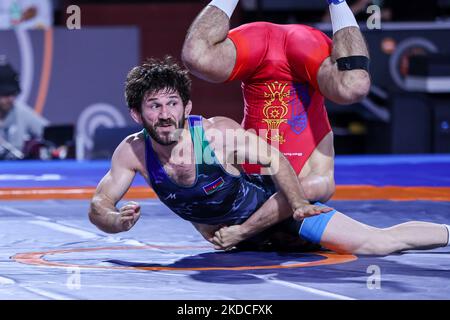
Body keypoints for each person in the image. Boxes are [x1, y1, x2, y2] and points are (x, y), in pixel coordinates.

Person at [88, 57, 450, 255]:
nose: (165, 114)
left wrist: (293, 206)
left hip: (272, 216)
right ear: (137, 114)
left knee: (378, 243)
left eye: (172, 103)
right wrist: (115, 223)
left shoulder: (215, 134)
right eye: (154, 105)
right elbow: (100, 204)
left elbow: (275, 159)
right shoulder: (132, 152)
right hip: (238, 238)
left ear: (188, 107)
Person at [182, 0, 371, 205]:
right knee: (354, 87)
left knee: (195, 57)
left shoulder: (243, 193)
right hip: (304, 52)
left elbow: (198, 189)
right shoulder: (313, 186)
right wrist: (242, 230)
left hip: (258, 50)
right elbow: (297, 197)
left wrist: (235, 229)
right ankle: (337, 2)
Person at [0, 58, 49, 160]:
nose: (10, 99)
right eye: (5, 94)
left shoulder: (19, 111)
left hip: (17, 171)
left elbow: (50, 133)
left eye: (13, 94)